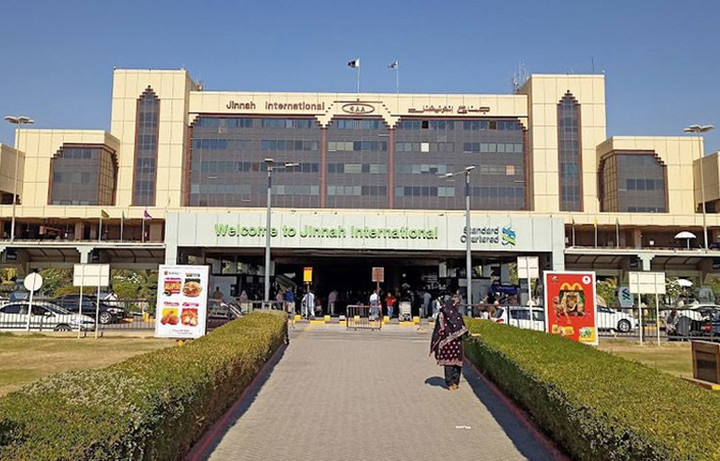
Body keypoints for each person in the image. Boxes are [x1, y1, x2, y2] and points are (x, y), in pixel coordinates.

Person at [430, 298, 469, 390]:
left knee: (449, 363)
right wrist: (467, 334)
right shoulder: (457, 315)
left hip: (446, 343)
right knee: (456, 363)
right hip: (457, 342)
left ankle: (450, 383)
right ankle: (455, 382)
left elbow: (439, 329)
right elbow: (462, 328)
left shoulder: (441, 315)